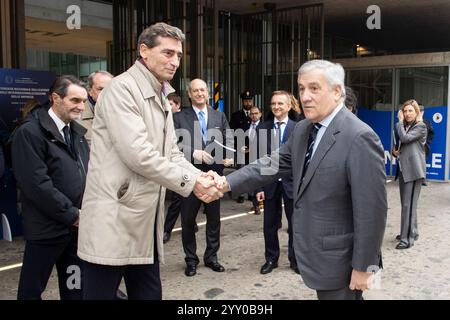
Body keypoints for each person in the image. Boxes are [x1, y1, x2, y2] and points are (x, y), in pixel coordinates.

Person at [217, 60, 387, 300]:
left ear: (337, 91)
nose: (305, 96)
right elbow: (269, 164)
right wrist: (226, 183)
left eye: (314, 88)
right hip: (316, 256)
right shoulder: (303, 129)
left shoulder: (359, 136)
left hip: (341, 262)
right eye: (301, 88)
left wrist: (364, 267)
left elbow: (372, 212)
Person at [77, 23, 222, 300]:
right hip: (115, 221)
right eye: (167, 53)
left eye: (178, 55)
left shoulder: (160, 95)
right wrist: (193, 182)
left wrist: (200, 177)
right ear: (143, 50)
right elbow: (139, 155)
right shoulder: (121, 90)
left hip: (143, 224)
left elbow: (172, 154)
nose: (175, 61)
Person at [10, 75, 89, 300]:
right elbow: (35, 184)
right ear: (55, 98)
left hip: (74, 231)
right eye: (75, 100)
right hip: (46, 231)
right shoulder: (30, 133)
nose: (81, 107)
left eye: (83, 101)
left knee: (74, 286)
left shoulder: (76, 133)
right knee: (32, 290)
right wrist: (72, 215)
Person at [174, 78, 234, 277]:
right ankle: (191, 260)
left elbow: (227, 139)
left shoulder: (219, 115)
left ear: (208, 93)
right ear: (189, 94)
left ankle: (211, 257)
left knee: (214, 219)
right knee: (188, 220)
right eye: (195, 91)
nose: (200, 93)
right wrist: (193, 152)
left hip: (214, 175)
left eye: (203, 90)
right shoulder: (179, 117)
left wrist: (229, 155)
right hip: (190, 175)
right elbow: (172, 144)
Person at [254, 91, 297, 275]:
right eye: (273, 103)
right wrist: (258, 187)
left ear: (289, 106)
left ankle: (296, 260)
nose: (277, 107)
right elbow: (257, 159)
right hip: (269, 182)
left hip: (292, 183)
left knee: (295, 224)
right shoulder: (262, 128)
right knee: (269, 224)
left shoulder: (299, 128)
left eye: (280, 103)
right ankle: (271, 259)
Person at [163, 92, 199, 244]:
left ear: (177, 105)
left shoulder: (187, 118)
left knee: (192, 201)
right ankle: (167, 229)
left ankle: (191, 223)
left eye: (171, 104)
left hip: (193, 165)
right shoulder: (172, 119)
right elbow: (175, 146)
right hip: (180, 166)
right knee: (178, 201)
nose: (168, 106)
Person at [392, 100, 427, 249]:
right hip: (404, 169)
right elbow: (401, 142)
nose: (407, 114)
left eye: (410, 111)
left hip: (414, 170)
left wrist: (399, 122)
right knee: (407, 204)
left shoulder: (421, 126)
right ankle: (412, 231)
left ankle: (407, 240)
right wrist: (395, 151)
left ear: (416, 112)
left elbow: (405, 138)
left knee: (408, 205)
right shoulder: (405, 126)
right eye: (405, 111)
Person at [229, 91, 254, 203]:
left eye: (249, 100)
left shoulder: (255, 114)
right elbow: (232, 132)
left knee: (252, 171)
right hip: (241, 147)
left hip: (253, 147)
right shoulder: (236, 115)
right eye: (245, 100)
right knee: (241, 171)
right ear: (242, 102)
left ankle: (251, 193)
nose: (248, 102)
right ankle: (240, 194)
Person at [78, 70, 114, 146]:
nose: (106, 92)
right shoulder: (77, 115)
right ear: (89, 91)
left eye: (110, 88)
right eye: (100, 89)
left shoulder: (124, 111)